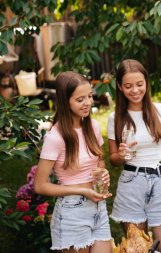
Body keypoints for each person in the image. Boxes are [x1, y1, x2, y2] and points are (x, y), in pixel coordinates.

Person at [107, 59, 161, 252]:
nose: (134, 90)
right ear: (119, 86)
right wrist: (120, 154)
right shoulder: (115, 118)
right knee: (138, 248)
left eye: (139, 84)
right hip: (131, 184)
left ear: (146, 83)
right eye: (128, 86)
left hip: (160, 182)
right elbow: (113, 159)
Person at [34, 71, 113, 253]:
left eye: (90, 96)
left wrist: (103, 173)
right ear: (65, 101)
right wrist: (81, 190)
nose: (88, 103)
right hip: (72, 212)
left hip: (98, 208)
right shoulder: (56, 137)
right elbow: (39, 185)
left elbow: (99, 163)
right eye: (80, 99)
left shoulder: (93, 127)